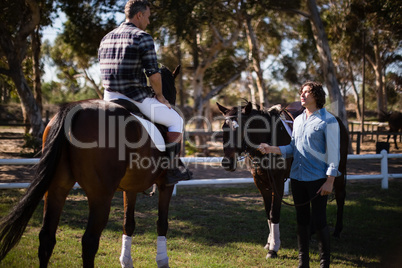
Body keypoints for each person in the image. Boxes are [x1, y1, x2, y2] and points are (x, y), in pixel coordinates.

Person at [98, 0, 191, 186]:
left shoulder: (106, 37)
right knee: (176, 120)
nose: (148, 22)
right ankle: (172, 169)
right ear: (139, 15)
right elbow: (154, 75)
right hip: (135, 97)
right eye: (148, 17)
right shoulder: (142, 37)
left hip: (108, 96)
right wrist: (160, 96)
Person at [258, 81, 340, 268]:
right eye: (301, 92)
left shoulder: (328, 120)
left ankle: (324, 263)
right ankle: (303, 263)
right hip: (297, 178)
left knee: (319, 222)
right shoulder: (299, 120)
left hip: (318, 179)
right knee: (302, 221)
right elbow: (292, 149)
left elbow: (334, 153)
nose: (302, 95)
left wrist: (330, 180)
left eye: (307, 92)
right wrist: (270, 148)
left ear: (317, 96)